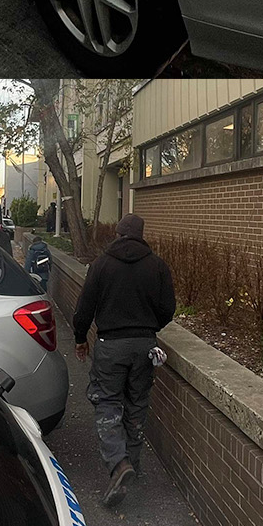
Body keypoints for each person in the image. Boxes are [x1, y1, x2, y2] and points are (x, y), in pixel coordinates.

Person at [71, 213, 175, 508]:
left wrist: (80, 338)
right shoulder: (157, 266)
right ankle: (134, 462)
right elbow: (168, 308)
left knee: (107, 401)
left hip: (110, 345)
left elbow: (85, 307)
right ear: (142, 235)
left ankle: (119, 464)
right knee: (137, 403)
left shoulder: (102, 265)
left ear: (117, 233)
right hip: (144, 346)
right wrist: (148, 328)